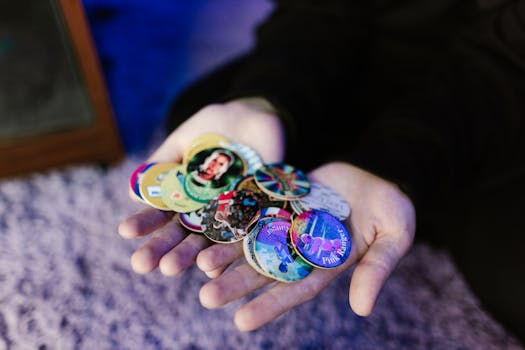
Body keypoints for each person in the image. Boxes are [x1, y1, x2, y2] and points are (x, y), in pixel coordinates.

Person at [118, 0, 525, 341]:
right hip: (367, 56)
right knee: (201, 116)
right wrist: (268, 101)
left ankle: (415, 202)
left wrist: (398, 162)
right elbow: (317, 9)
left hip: (500, 95)